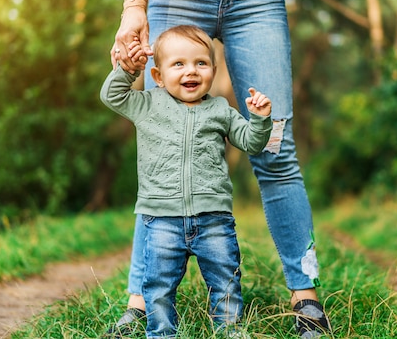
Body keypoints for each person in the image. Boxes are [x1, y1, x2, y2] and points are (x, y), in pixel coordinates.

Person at [107, 0, 331, 338]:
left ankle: (306, 300)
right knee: (164, 143)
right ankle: (138, 304)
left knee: (277, 149)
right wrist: (134, 5)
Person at [101, 25, 273, 338]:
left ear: (213, 70)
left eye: (200, 63)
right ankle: (162, 333)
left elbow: (252, 142)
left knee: (226, 282)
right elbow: (111, 95)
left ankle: (229, 331)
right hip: (161, 220)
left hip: (214, 220)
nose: (190, 71)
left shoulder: (221, 109)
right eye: (178, 64)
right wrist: (127, 69)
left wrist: (260, 119)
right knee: (157, 287)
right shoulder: (147, 104)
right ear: (158, 75)